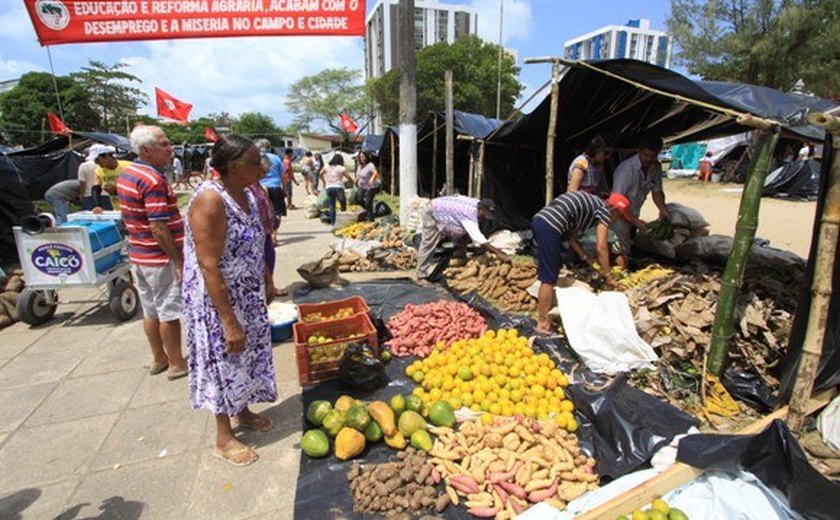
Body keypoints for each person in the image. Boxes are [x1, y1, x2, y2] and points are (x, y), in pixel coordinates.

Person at [183, 134, 277, 467]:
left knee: (247, 356)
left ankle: (243, 410)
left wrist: (267, 279)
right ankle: (223, 438)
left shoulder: (248, 194)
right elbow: (208, 264)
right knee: (224, 360)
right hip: (217, 300)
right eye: (256, 162)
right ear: (235, 167)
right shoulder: (211, 200)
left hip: (246, 295)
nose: (262, 166)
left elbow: (255, 241)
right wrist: (228, 320)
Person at [116, 125, 188, 380]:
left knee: (150, 310)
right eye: (164, 144)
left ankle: (159, 358)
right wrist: (177, 260)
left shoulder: (128, 174)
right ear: (146, 150)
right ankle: (177, 363)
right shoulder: (153, 180)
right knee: (168, 311)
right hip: (158, 258)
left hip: (139, 255)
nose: (171, 149)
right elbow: (158, 227)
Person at [532, 192, 632, 333]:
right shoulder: (604, 211)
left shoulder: (593, 205)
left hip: (541, 220)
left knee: (550, 271)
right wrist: (608, 276)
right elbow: (601, 247)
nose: (616, 221)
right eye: (619, 216)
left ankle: (545, 319)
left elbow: (570, 237)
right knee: (548, 278)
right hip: (551, 225)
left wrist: (586, 258)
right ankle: (543, 324)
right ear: (614, 210)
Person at [416, 195, 509, 281]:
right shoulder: (469, 214)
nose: (484, 218)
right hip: (433, 212)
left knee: (464, 232)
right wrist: (498, 252)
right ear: (480, 209)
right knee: (429, 244)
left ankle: (461, 257)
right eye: (484, 215)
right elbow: (478, 238)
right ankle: (421, 275)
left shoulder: (477, 204)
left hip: (443, 209)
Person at [612, 135, 670, 265]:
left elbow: (657, 191)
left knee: (626, 246)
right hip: (618, 214)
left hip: (634, 212)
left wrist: (662, 209)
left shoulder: (655, 167)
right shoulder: (626, 169)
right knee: (620, 249)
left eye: (653, 156)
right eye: (646, 155)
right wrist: (634, 220)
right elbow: (616, 200)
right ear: (639, 151)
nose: (649, 159)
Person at [255, 139, 286, 220]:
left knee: (262, 211)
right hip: (275, 186)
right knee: (277, 211)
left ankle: (267, 229)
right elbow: (282, 175)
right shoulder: (276, 158)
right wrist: (284, 189)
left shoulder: (256, 158)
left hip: (260, 187)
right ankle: (275, 231)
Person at [319, 154, 355, 225]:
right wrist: (353, 182)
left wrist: (324, 181)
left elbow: (320, 173)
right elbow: (348, 177)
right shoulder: (341, 168)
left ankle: (333, 222)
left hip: (329, 187)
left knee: (331, 205)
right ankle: (343, 219)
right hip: (338, 187)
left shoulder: (326, 166)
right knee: (343, 202)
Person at [356, 151, 382, 220]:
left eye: (363, 157)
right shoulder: (359, 165)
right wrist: (356, 180)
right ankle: (369, 210)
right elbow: (359, 175)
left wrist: (372, 179)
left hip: (371, 186)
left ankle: (370, 217)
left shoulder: (370, 165)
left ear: (366, 157)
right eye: (360, 157)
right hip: (362, 185)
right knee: (359, 199)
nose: (361, 158)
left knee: (368, 201)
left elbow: (375, 173)